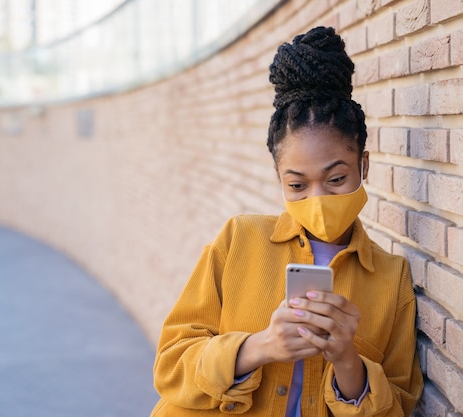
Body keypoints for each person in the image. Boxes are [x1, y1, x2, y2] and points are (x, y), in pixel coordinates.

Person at [150, 26, 423, 417]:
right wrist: (259, 347)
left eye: (336, 179)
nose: (318, 199)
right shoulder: (238, 239)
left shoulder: (391, 279)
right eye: (297, 184)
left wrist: (348, 361)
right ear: (279, 177)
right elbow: (171, 366)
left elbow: (398, 406)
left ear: (363, 165)